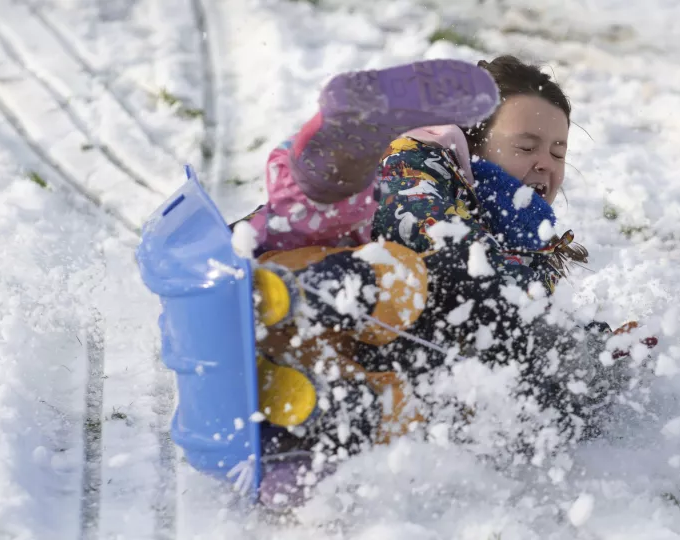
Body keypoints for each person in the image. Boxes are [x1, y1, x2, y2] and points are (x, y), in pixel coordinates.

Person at [231, 56, 656, 508]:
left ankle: (306, 410)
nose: (543, 164)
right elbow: (440, 248)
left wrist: (595, 354)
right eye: (526, 145)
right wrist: (571, 352)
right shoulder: (416, 163)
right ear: (474, 140)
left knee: (443, 393)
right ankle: (287, 296)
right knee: (412, 275)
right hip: (277, 279)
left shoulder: (522, 242)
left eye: (557, 152)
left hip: (331, 350)